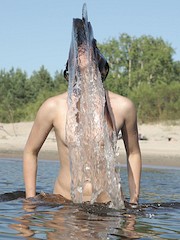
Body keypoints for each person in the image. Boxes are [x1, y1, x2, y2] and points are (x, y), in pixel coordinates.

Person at [23, 16, 142, 207]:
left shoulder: (122, 106)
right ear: (69, 64)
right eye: (77, 50)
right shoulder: (53, 106)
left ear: (101, 63)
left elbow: (133, 153)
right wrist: (30, 200)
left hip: (108, 204)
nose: (82, 53)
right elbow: (30, 151)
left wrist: (134, 201)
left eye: (88, 49)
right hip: (64, 203)